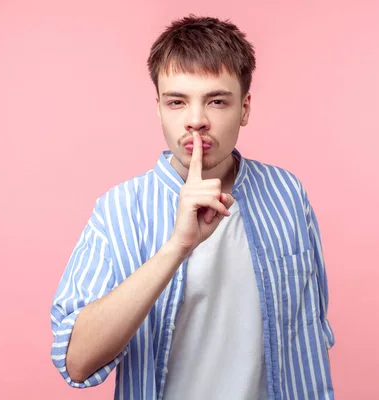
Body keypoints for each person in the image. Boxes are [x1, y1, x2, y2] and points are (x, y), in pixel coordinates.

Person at [50, 15, 335, 400]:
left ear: (245, 108)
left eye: (216, 101)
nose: (196, 121)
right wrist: (176, 248)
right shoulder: (119, 211)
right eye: (177, 101)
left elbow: (310, 336)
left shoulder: (288, 195)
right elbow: (76, 361)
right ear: (159, 108)